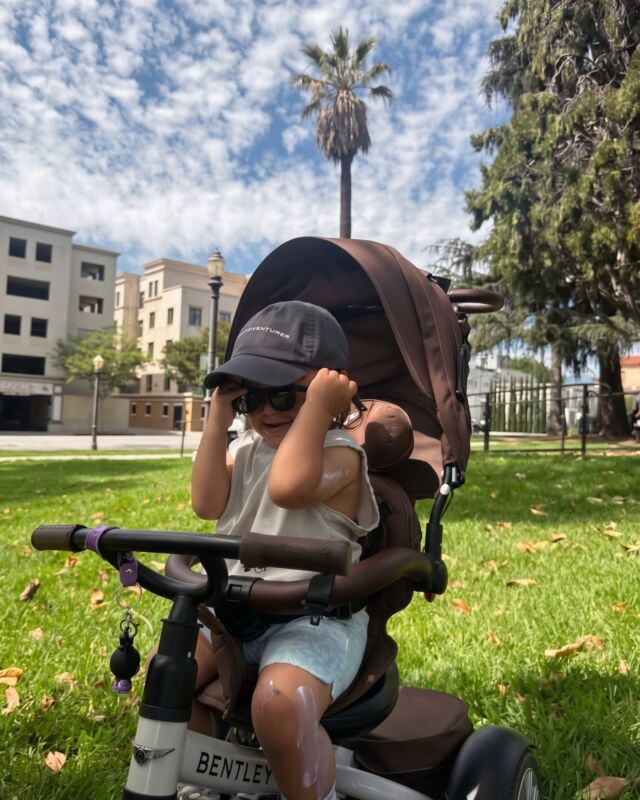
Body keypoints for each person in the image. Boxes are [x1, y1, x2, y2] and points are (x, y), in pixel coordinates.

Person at [189, 300, 380, 800]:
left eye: (281, 396)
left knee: (278, 703)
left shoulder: (340, 453)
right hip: (236, 610)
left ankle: (314, 793)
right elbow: (206, 504)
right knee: (168, 674)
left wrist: (317, 409)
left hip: (312, 620)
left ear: (327, 390)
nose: (266, 412)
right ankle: (206, 783)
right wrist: (216, 423)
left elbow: (289, 487)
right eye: (250, 399)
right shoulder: (244, 451)